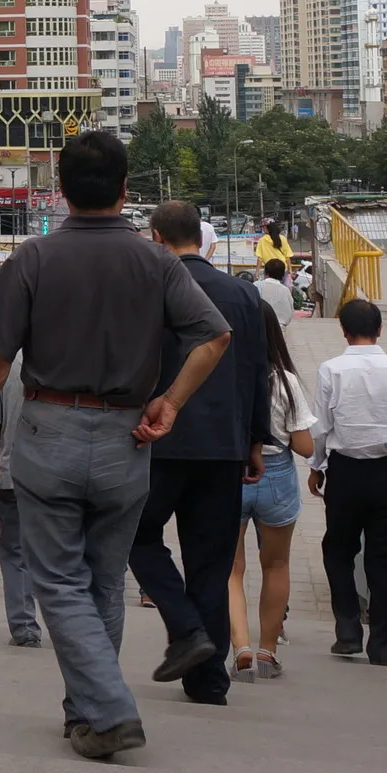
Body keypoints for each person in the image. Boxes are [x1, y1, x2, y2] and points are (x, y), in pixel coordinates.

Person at [0, 129, 233, 764]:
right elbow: (214, 336)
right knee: (103, 580)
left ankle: (110, 710)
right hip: (128, 438)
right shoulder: (156, 262)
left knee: (57, 581)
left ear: (62, 191)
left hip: (50, 432)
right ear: (126, 191)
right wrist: (170, 402)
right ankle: (86, 716)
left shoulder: (34, 258)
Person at [127, 200, 270, 707]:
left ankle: (185, 626)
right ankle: (209, 683)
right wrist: (255, 441)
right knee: (211, 561)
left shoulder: (149, 289)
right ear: (203, 240)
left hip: (158, 444)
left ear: (159, 238)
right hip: (225, 447)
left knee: (136, 536)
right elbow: (258, 371)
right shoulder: (244, 295)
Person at [311, 297, 387, 668]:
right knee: (385, 560)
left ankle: (348, 631)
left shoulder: (330, 370)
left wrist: (316, 466)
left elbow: (321, 426)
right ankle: (383, 646)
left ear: (343, 330)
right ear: (380, 329)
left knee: (337, 551)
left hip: (345, 473)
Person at [231, 298, 317, 681]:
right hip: (277, 475)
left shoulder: (225, 374)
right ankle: (267, 650)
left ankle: (241, 649)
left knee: (231, 570)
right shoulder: (285, 380)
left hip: (231, 474)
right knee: (276, 565)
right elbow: (305, 447)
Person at [0, 361, 40, 647]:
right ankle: (76, 626)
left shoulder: (4, 366)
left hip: (13, 475)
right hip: (64, 478)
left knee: (16, 551)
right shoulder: (73, 358)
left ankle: (25, 628)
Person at [255, 258, 293, 331]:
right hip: (280, 330)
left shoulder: (257, 286)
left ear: (266, 272)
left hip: (260, 329)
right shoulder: (285, 290)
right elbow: (290, 310)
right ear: (282, 275)